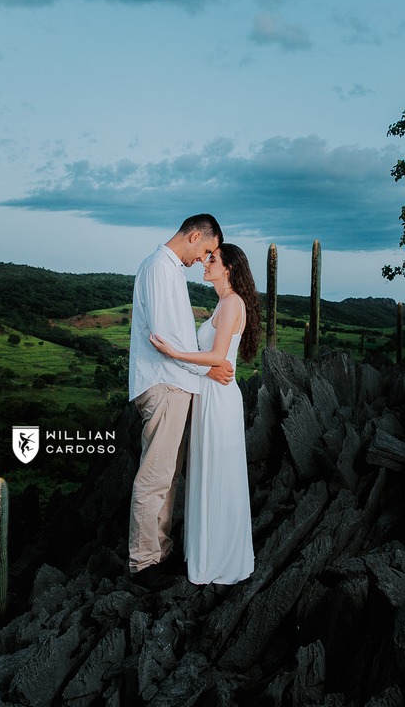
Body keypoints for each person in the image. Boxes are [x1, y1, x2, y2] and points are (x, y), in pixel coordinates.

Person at [127, 214, 234, 590]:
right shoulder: (160, 267)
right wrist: (207, 372)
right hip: (164, 385)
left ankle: (161, 553)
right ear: (193, 236)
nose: (202, 259)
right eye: (205, 249)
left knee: (168, 476)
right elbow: (165, 335)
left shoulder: (167, 269)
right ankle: (142, 564)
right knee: (155, 476)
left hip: (174, 384)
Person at [150, 242, 259, 585]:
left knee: (218, 475)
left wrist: (174, 353)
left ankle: (219, 561)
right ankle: (206, 556)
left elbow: (217, 357)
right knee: (206, 473)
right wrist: (205, 366)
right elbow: (215, 363)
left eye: (211, 259)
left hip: (220, 401)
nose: (204, 263)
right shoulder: (223, 303)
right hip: (210, 394)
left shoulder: (231, 304)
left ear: (227, 268)